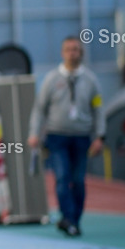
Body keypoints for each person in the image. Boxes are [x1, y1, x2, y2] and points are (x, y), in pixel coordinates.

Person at [27, 36, 105, 237]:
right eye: (69, 49)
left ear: (81, 53)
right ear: (63, 53)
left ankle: (74, 220)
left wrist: (99, 136)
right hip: (57, 136)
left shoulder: (90, 80)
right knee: (62, 178)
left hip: (81, 137)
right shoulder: (52, 79)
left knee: (78, 180)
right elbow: (39, 108)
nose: (72, 53)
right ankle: (68, 218)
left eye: (76, 50)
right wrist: (34, 133)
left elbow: (98, 109)